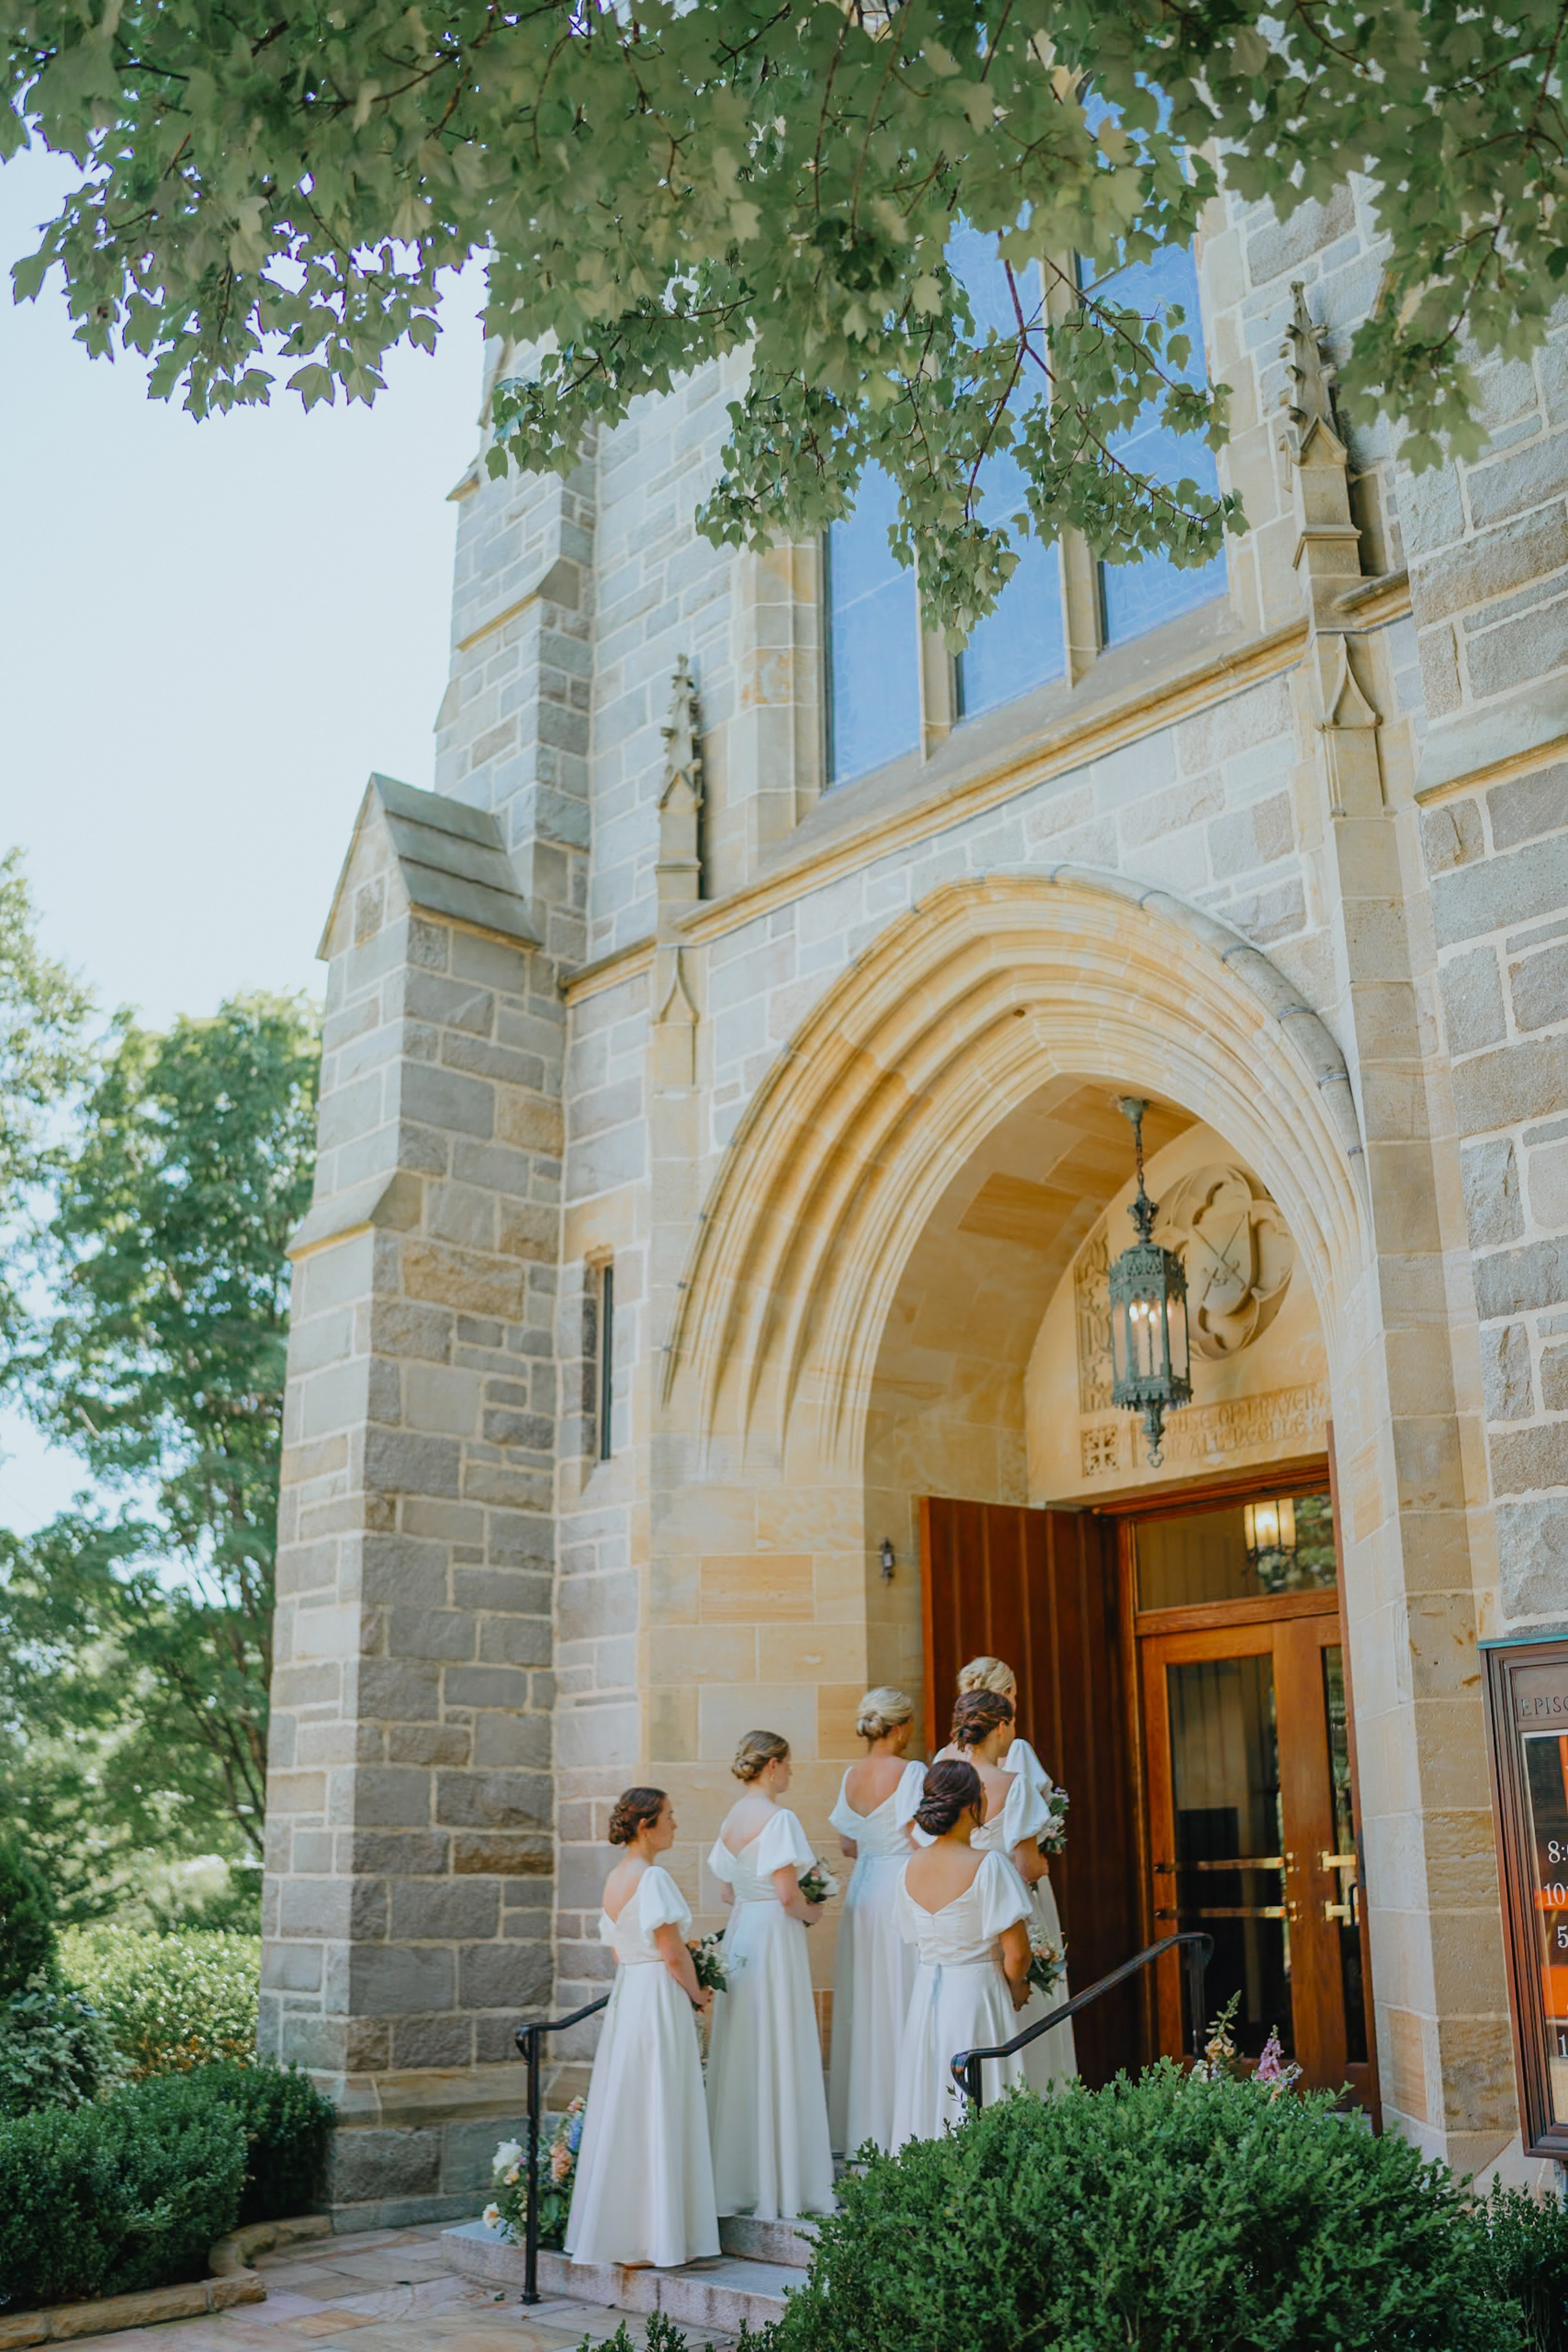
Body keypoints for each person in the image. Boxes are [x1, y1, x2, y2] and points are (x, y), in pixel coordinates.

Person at [564, 1785, 720, 2269]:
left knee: (632, 2106)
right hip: (657, 1998)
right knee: (660, 2102)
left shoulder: (616, 1879)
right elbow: (672, 1954)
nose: (676, 1825)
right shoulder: (652, 1878)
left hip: (631, 1994)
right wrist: (699, 1993)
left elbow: (619, 1951)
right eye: (670, 1816)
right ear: (647, 1825)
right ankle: (658, 2237)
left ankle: (628, 2234)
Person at [704, 1730, 836, 2220]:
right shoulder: (780, 1820)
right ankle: (784, 2182)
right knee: (780, 2042)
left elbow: (725, 1891)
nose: (792, 1773)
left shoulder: (732, 1818)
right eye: (789, 1764)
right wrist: (813, 1911)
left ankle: (739, 2178)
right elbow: (786, 1895)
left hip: (744, 1933)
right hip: (775, 1936)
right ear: (773, 1765)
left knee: (746, 2046)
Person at [890, 1758, 1032, 2146]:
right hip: (977, 1993)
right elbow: (1018, 1953)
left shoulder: (908, 1868)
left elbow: (913, 1936)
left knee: (932, 2085)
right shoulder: (989, 1865)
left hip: (928, 1995)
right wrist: (1017, 1986)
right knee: (982, 2089)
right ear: (971, 1806)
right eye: (983, 1792)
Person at [947, 1690, 1076, 2089]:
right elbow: (1026, 1866)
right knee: (1029, 2010)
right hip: (1010, 1911)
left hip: (962, 1916)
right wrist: (1044, 1862)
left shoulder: (947, 1783)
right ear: (1001, 1727)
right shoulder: (1013, 1785)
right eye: (1013, 1724)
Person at [826, 1686, 926, 2157]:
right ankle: (907, 2126)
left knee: (867, 2005)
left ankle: (867, 2134)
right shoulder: (912, 1772)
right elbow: (920, 1837)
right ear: (902, 1728)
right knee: (903, 1997)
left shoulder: (851, 1775)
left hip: (863, 1891)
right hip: (899, 1887)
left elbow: (848, 1846)